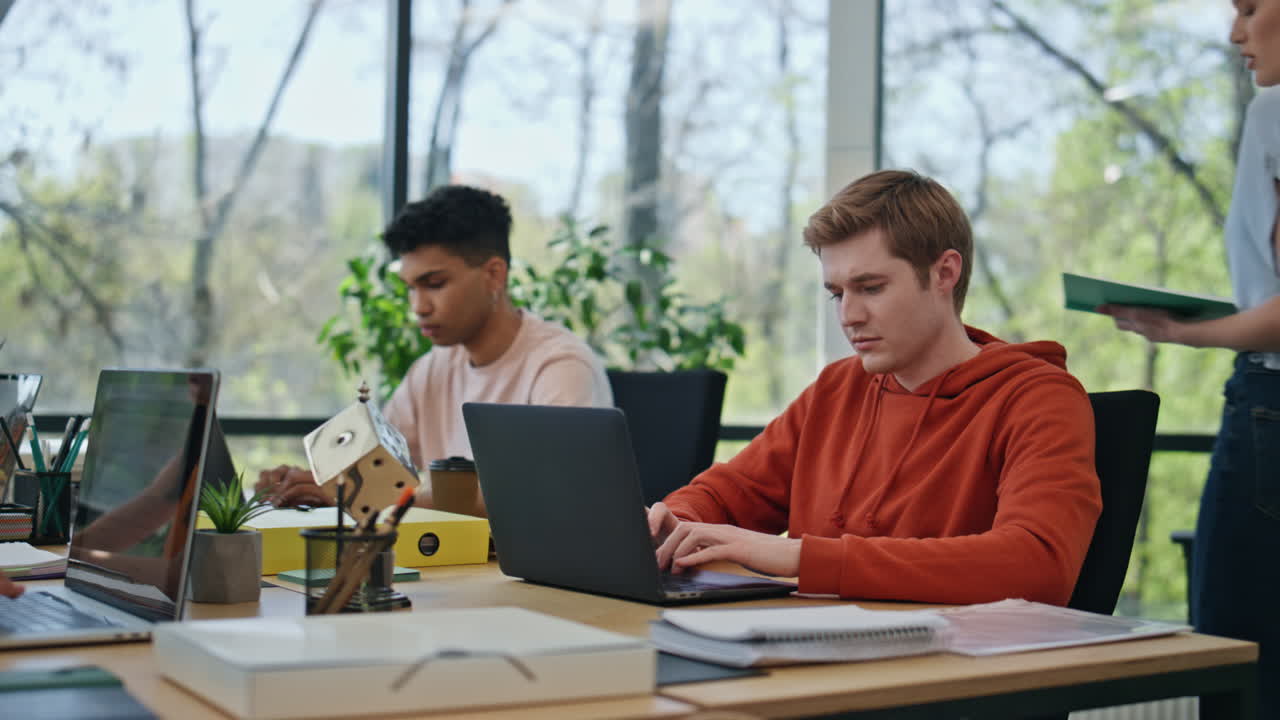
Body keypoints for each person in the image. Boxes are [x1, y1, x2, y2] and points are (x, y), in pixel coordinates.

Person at [648, 169, 1102, 606]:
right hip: (816, 654)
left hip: (946, 670)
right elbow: (727, 494)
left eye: (871, 288)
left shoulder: (1039, 398)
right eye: (836, 293)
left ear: (945, 274)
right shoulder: (836, 388)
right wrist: (675, 523)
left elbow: (1037, 567)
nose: (848, 315)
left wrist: (801, 558)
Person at [1098, 2, 1280, 715]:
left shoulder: (1274, 113)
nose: (1235, 32)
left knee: (1241, 664)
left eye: (1251, 7)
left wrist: (1177, 331)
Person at [259, 185, 612, 513]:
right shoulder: (429, 371)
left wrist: (359, 494)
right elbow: (376, 470)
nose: (419, 306)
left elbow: (543, 497)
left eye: (435, 284)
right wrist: (310, 482)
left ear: (494, 275)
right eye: (411, 288)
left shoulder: (560, 365)